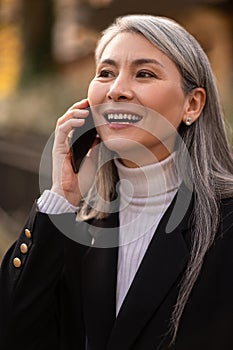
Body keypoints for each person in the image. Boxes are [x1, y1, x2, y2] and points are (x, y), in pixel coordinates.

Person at [1, 14, 233, 350]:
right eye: (105, 73)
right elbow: (14, 334)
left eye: (144, 73)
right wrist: (61, 197)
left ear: (192, 104)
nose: (117, 90)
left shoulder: (225, 224)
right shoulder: (79, 228)